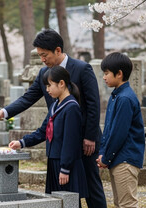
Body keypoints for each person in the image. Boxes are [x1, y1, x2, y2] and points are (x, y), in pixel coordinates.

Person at [0, 29, 107, 208]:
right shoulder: (45, 73)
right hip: (59, 144)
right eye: (40, 55)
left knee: (90, 186)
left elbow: (93, 105)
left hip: (84, 140)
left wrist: (90, 137)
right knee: (65, 190)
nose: (42, 59)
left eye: (45, 55)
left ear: (57, 51)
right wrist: (4, 112)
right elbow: (28, 98)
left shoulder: (82, 68)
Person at [9, 66, 88, 201]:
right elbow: (43, 131)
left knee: (69, 202)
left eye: (49, 85)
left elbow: (70, 141)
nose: (47, 90)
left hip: (66, 164)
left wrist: (65, 168)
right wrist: (22, 142)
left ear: (61, 84)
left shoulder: (72, 107)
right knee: (55, 201)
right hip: (53, 160)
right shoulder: (55, 105)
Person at [97, 52, 145, 208]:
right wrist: (103, 154)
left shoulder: (124, 98)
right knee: (120, 204)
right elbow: (109, 130)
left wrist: (106, 157)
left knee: (127, 204)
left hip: (125, 158)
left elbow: (119, 133)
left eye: (106, 73)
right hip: (118, 158)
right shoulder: (117, 96)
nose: (104, 77)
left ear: (119, 74)